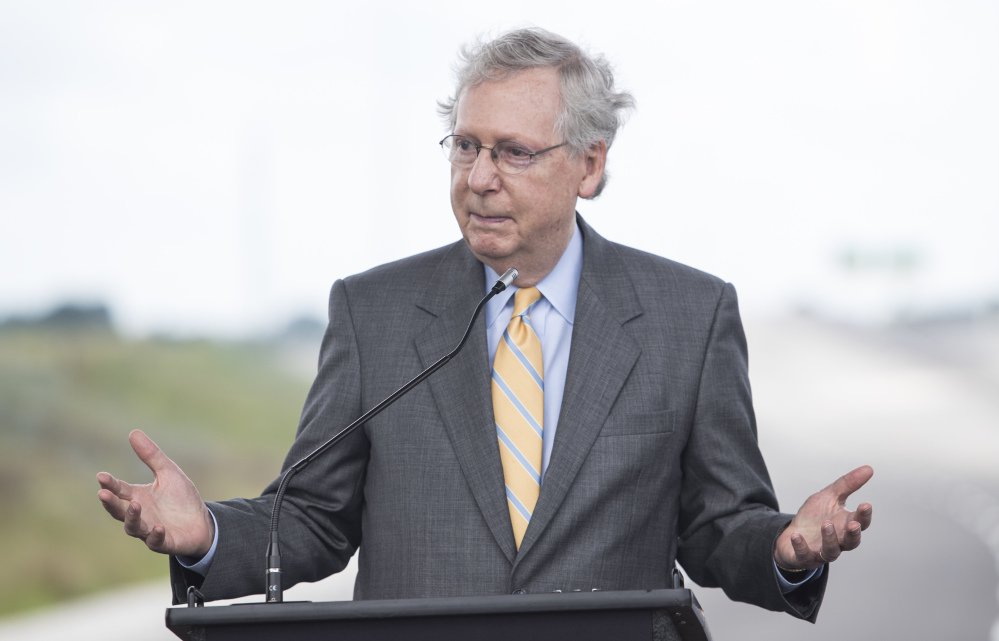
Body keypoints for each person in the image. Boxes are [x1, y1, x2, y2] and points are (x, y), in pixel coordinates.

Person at [96, 27, 873, 622]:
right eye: (464, 145)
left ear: (590, 164)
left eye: (512, 152)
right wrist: (206, 534)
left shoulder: (689, 315)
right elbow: (312, 520)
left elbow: (715, 527)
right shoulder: (375, 312)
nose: (477, 178)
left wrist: (784, 548)